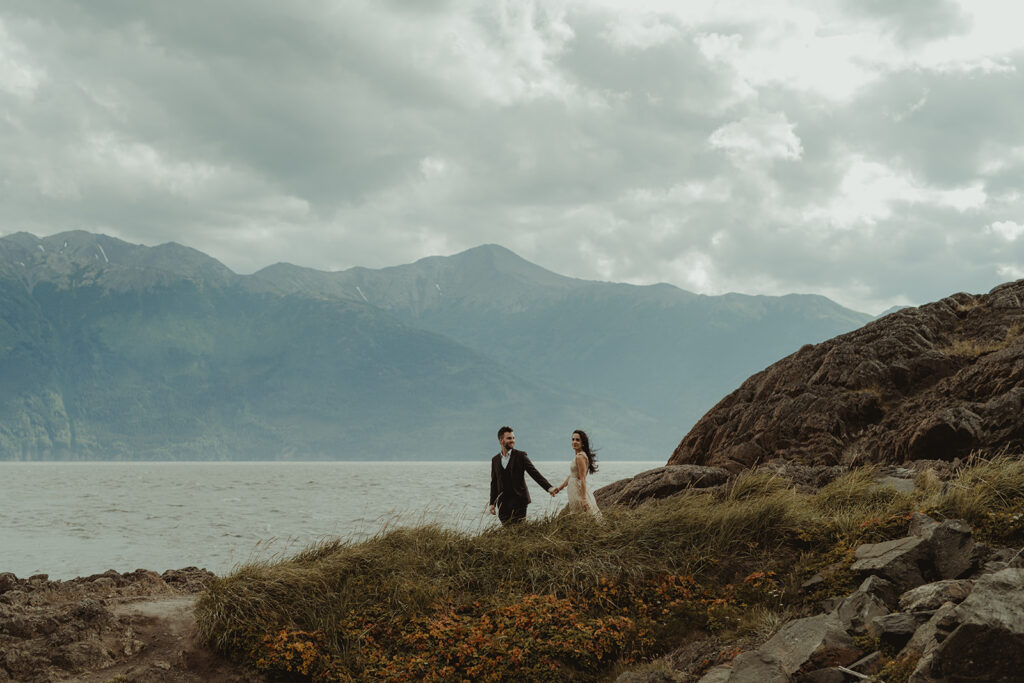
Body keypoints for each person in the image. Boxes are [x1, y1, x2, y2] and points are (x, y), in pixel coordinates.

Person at [489, 426, 556, 525]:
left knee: (518, 532)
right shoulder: (495, 460)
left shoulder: (521, 456)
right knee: (507, 534)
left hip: (519, 501)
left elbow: (534, 473)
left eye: (513, 438)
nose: (512, 440)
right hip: (503, 504)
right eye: (509, 438)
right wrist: (492, 503)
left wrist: (549, 488)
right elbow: (494, 482)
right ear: (501, 440)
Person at [551, 430, 601, 519]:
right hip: (574, 490)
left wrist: (584, 499)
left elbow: (582, 479)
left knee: (583, 516)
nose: (574, 442)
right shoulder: (579, 456)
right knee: (580, 517)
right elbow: (572, 475)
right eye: (573, 439)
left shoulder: (580, 457)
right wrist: (559, 488)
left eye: (577, 440)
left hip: (578, 490)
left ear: (582, 443)